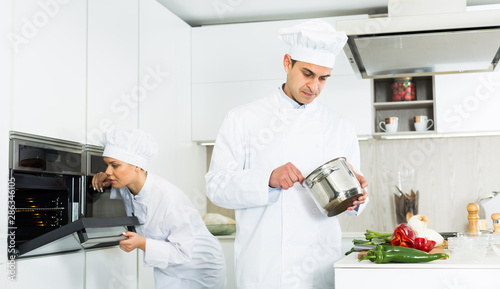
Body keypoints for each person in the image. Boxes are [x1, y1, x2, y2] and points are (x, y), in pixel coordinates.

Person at [205, 19, 369, 289]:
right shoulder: (243, 119)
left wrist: (358, 197)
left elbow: (357, 192)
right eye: (307, 73)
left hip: (318, 267)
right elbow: (216, 186)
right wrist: (267, 179)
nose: (314, 86)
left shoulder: (340, 126)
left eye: (323, 78)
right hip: (265, 269)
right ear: (287, 63)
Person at [92, 128, 226, 289]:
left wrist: (142, 243)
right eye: (106, 165)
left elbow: (183, 252)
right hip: (168, 267)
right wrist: (104, 181)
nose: (107, 171)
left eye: (115, 165)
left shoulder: (168, 199)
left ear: (137, 166)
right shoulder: (127, 186)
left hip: (200, 268)